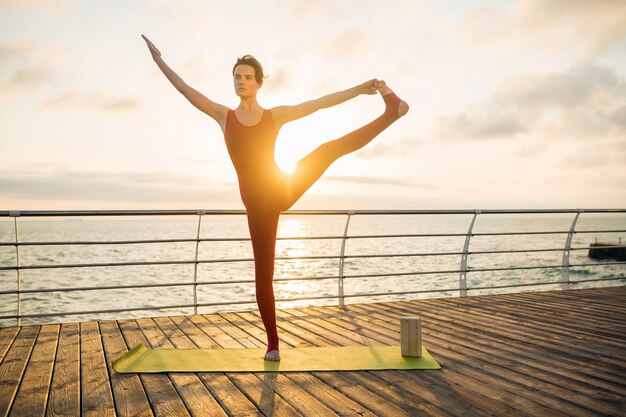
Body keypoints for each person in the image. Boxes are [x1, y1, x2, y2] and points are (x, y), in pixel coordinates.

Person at [142, 35, 408, 361]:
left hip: (281, 188)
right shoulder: (225, 116)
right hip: (257, 206)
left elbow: (319, 103)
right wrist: (159, 60)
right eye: (237, 77)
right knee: (263, 273)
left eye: (247, 77)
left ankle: (392, 111)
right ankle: (273, 343)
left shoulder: (274, 116)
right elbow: (186, 90)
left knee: (327, 150)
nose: (241, 82)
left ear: (258, 83)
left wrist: (357, 89)